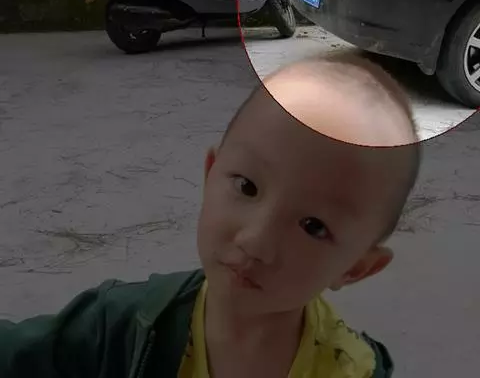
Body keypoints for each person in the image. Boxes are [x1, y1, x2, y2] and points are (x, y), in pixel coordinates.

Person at [0, 51, 421, 378]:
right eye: (247, 187)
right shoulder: (120, 327)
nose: (255, 241)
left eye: (313, 226)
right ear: (210, 174)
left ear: (356, 268)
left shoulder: (354, 371)